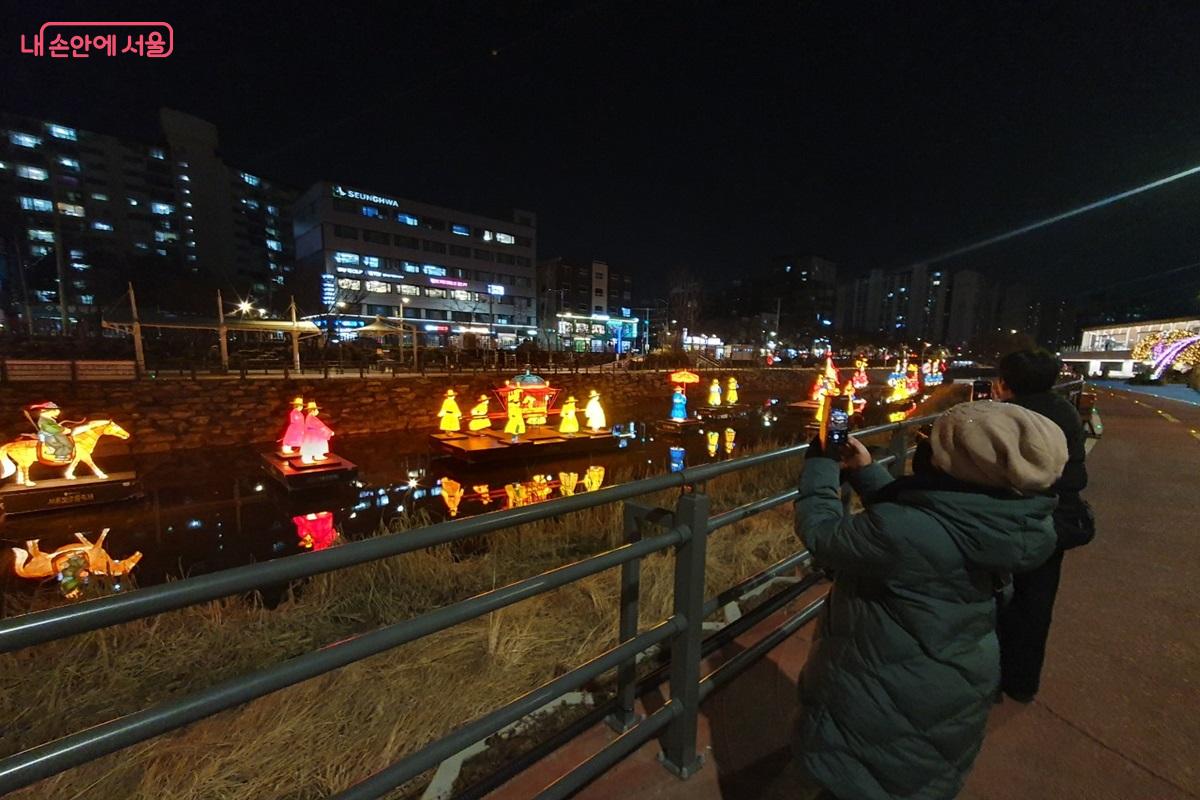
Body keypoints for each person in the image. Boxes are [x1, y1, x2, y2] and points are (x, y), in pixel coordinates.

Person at [793, 401, 1067, 800]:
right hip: (952, 683)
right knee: (916, 775)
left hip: (885, 691)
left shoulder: (907, 531)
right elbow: (934, 520)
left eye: (936, 444)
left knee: (865, 779)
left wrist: (820, 463)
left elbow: (823, 533)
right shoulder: (1014, 520)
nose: (927, 448)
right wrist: (867, 471)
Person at [993, 348, 1092, 702]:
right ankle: (1022, 683)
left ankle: (990, 677)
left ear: (1005, 383)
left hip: (1011, 518)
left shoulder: (1007, 417)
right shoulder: (1065, 410)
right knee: (1037, 603)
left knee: (994, 597)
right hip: (1057, 520)